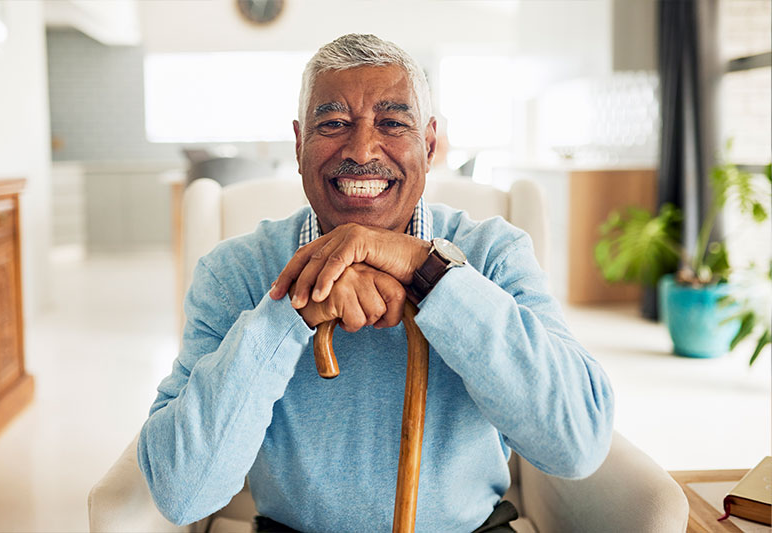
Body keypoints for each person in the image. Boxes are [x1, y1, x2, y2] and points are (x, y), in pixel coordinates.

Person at [137, 34, 614, 532]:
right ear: (299, 145)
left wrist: (429, 272)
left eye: (391, 123)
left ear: (428, 146)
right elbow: (181, 491)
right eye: (334, 123)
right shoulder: (235, 271)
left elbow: (576, 442)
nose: (362, 149)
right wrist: (293, 309)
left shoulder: (494, 252)